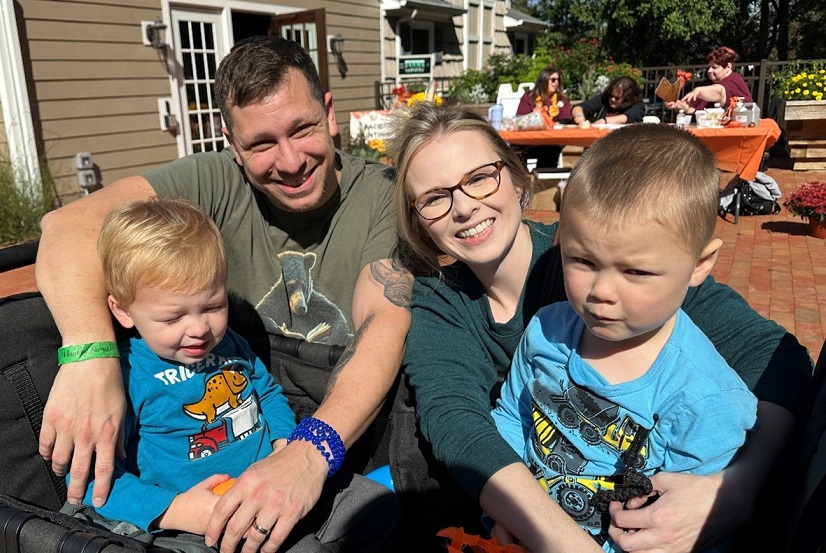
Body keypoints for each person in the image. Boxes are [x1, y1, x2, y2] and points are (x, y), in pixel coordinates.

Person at [36, 35, 412, 553]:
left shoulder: (380, 196)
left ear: (329, 114)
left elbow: (384, 323)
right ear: (232, 145)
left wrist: (306, 451)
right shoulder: (215, 181)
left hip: (332, 444)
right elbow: (66, 227)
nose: (290, 161)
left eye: (302, 129)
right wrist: (90, 357)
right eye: (260, 144)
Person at [390, 101, 811, 552]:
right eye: (434, 198)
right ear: (417, 219)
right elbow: (459, 423)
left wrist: (737, 488)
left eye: (478, 178)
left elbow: (774, 358)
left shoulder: (615, 246)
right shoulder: (445, 299)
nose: (463, 208)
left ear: (515, 176)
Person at [490, 125, 758, 550]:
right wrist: (505, 511)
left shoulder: (706, 399)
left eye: (636, 271)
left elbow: (682, 528)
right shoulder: (546, 331)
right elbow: (512, 418)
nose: (602, 291)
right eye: (582, 260)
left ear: (700, 265)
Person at [75, 197, 397, 551]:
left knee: (376, 505)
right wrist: (177, 510)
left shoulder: (229, 343)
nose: (200, 329)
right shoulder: (127, 376)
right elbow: (93, 483)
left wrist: (284, 444)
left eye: (214, 306)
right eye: (173, 317)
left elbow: (267, 393)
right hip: (194, 527)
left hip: (273, 490)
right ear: (123, 311)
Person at [515, 66, 573, 170]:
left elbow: (566, 119)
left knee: (551, 149)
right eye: (553, 80)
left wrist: (553, 123)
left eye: (558, 80)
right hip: (530, 141)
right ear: (544, 80)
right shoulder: (529, 97)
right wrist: (534, 117)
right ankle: (521, 177)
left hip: (551, 141)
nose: (556, 83)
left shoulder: (562, 99)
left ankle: (544, 179)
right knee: (515, 149)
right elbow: (520, 119)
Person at [666, 46, 753, 114]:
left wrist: (698, 91)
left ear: (728, 67)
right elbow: (690, 109)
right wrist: (678, 105)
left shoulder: (734, 80)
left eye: (714, 67)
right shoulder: (707, 83)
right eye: (709, 67)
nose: (709, 71)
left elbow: (720, 92)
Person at [571, 76, 645, 127]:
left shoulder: (637, 105)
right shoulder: (604, 99)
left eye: (617, 98)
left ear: (627, 98)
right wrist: (579, 116)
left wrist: (604, 121)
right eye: (611, 96)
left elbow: (629, 117)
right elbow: (581, 107)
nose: (612, 99)